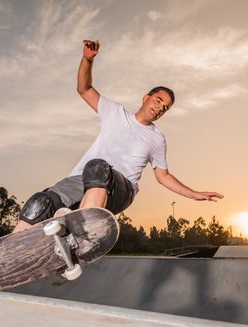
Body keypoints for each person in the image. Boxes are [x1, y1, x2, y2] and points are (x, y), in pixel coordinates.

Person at [12, 40, 223, 233]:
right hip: (80, 180)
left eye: (165, 108)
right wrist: (87, 59)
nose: (160, 108)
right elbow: (84, 89)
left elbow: (163, 176)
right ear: (146, 97)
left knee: (97, 167)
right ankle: (7, 254)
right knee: (41, 202)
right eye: (158, 100)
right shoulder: (115, 112)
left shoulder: (157, 139)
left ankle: (82, 230)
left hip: (120, 190)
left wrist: (194, 194)